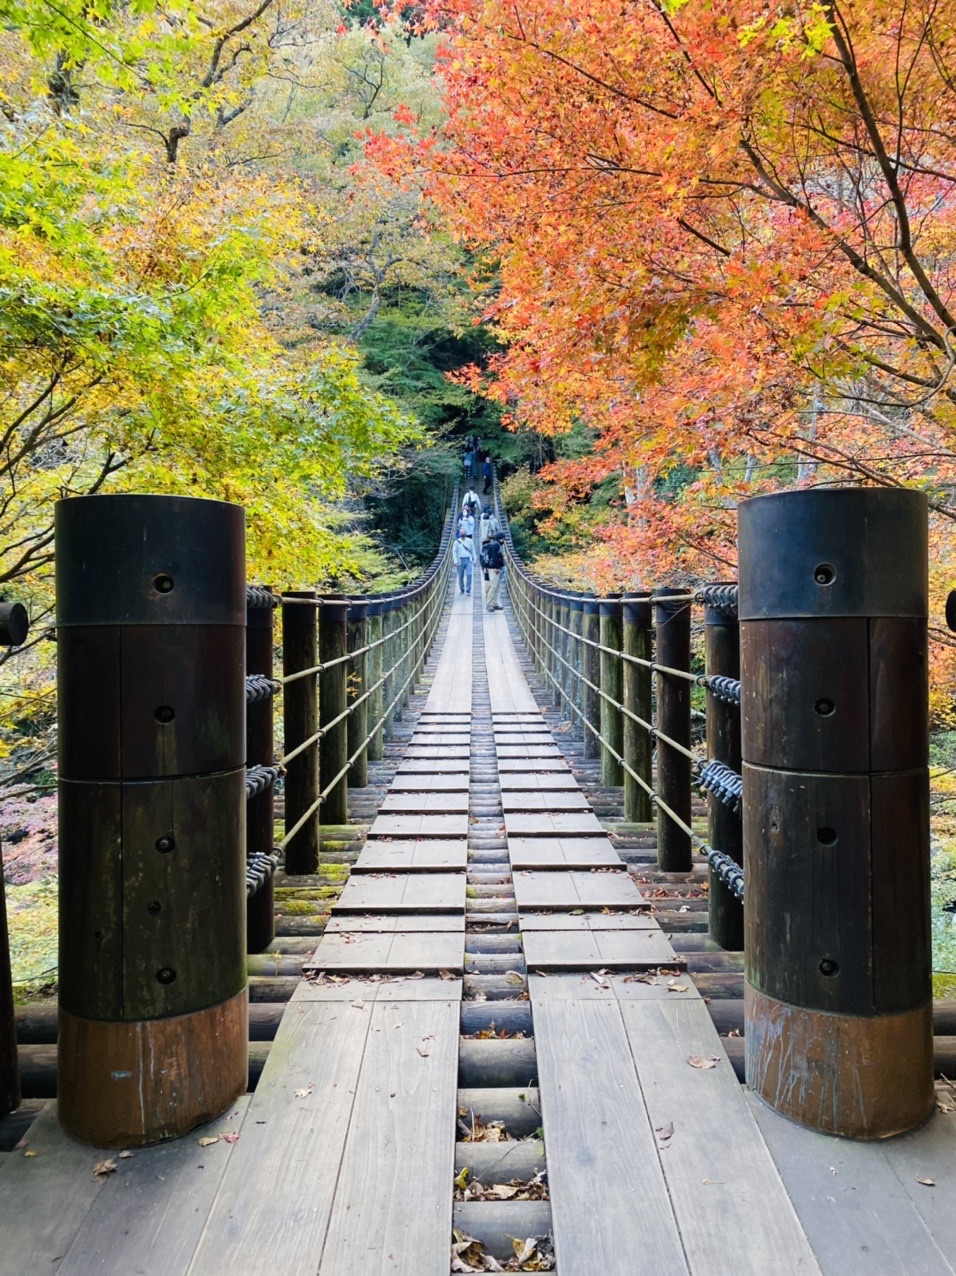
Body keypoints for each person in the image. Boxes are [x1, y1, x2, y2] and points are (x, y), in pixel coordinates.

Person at [482, 532, 506, 611]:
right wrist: (496, 567)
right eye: (503, 538)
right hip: (493, 568)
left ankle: (494, 603)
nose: (504, 540)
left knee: (496, 587)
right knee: (493, 586)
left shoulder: (497, 544)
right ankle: (489, 604)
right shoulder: (496, 544)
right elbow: (494, 556)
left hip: (496, 568)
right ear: (500, 538)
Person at [453, 530, 475, 595]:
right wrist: (455, 561)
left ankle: (468, 590)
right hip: (460, 560)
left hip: (468, 559)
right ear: (460, 534)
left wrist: (474, 559)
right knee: (460, 576)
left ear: (466, 533)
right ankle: (462, 590)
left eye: (464, 533)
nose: (463, 534)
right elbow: (454, 551)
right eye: (461, 533)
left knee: (469, 574)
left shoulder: (470, 541)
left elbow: (473, 550)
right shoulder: (456, 542)